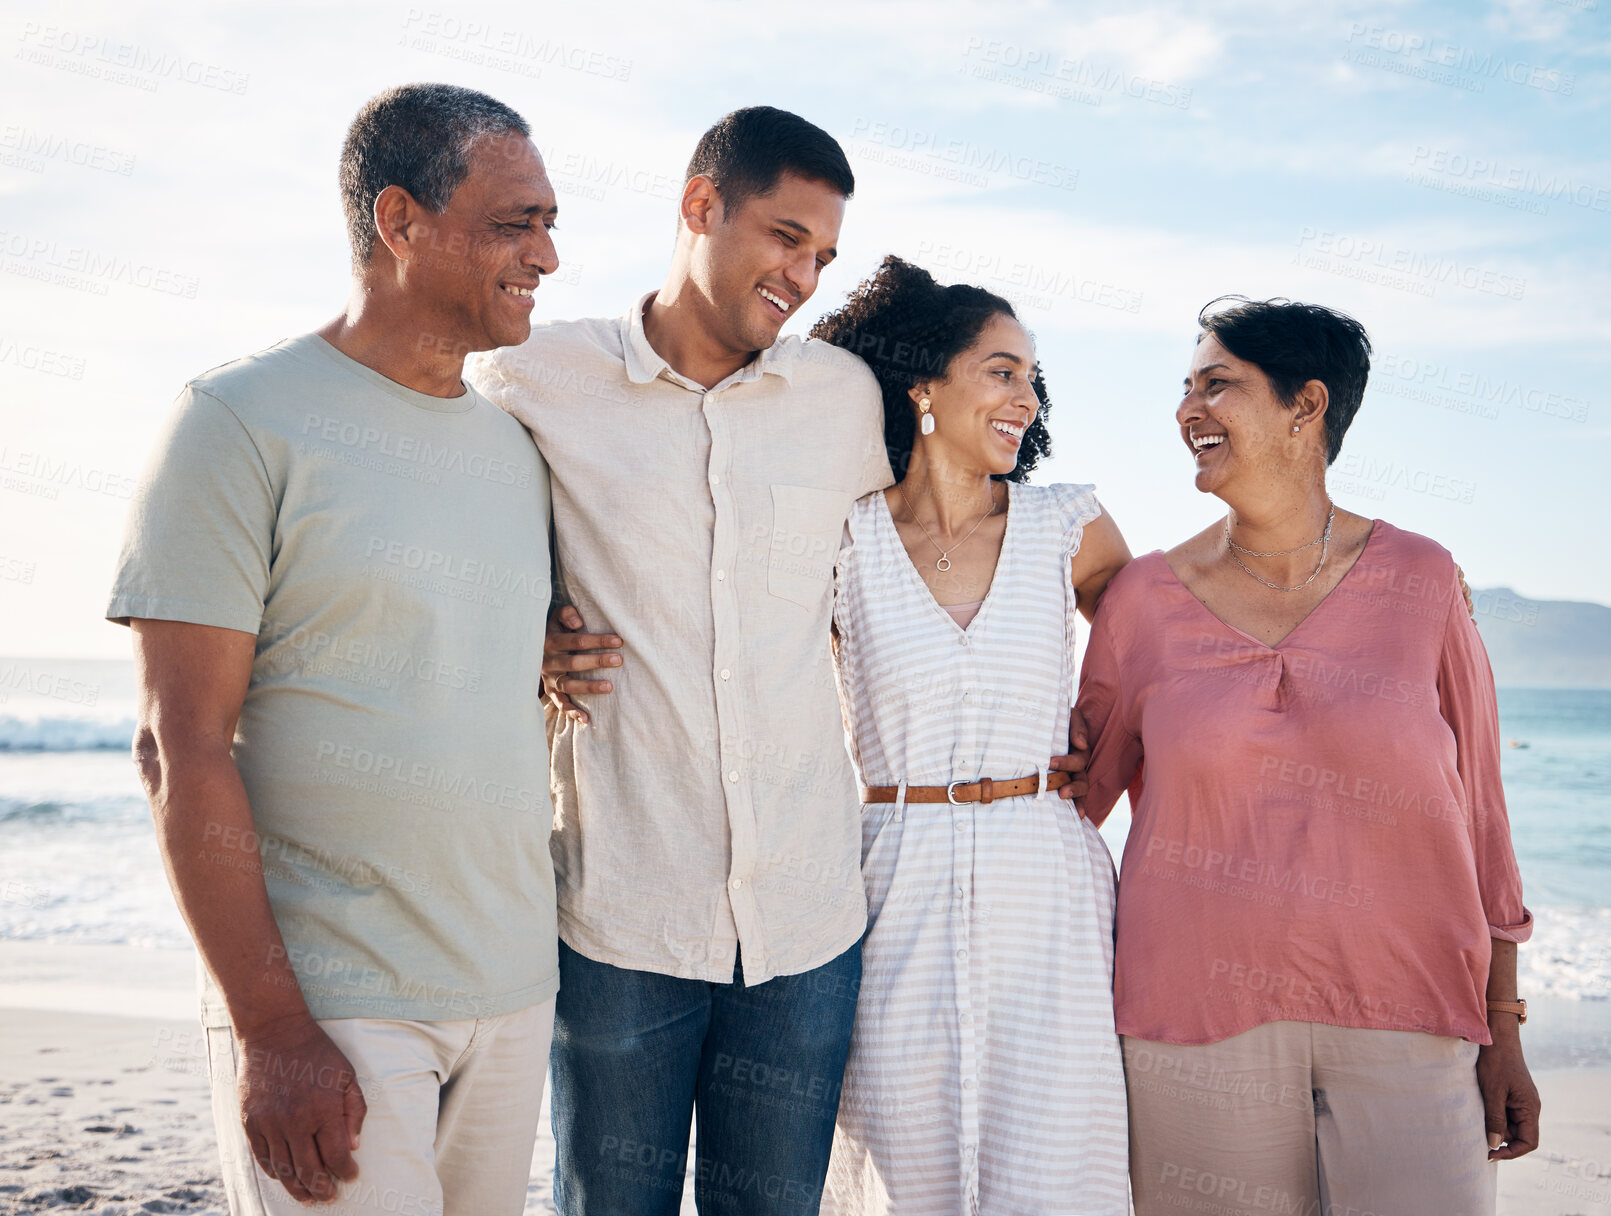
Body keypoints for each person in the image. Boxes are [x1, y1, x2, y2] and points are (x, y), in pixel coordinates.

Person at [106, 84, 561, 1213]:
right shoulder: (237, 421)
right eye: (516, 223)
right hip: (333, 1004)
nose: (548, 255)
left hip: (511, 992)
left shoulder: (518, 448)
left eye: (551, 222)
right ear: (400, 221)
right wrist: (272, 1028)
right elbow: (179, 745)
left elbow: (454, 658)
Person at [467, 106, 890, 1216]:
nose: (803, 276)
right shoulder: (535, 377)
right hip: (622, 914)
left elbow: (907, 574)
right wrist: (534, 631)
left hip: (804, 923)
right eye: (786, 237)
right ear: (702, 207)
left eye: (823, 257)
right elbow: (453, 538)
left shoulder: (841, 400)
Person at [1073, 296, 1539, 1215]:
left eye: (1219, 385)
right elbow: (1068, 802)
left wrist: (1507, 1023)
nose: (1187, 411)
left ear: (1306, 405)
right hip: (1191, 1028)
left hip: (1411, 1015)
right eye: (1186, 387)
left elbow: (1483, 812)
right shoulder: (1143, 601)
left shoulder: (1424, 580)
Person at [808, 256, 1133, 1214]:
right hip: (888, 877)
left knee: (1053, 1167)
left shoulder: (1065, 523)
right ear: (923, 389)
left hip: (1048, 881)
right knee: (900, 1162)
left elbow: (1179, 650)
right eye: (1001, 371)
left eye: (1031, 377)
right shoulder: (843, 538)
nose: (1025, 397)